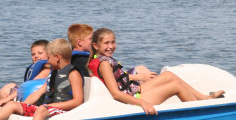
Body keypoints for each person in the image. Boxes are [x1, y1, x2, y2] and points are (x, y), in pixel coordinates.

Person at [88, 28, 224, 115]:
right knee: (175, 86)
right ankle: (201, 115)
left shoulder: (99, 59)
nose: (111, 46)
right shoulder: (104, 64)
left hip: (133, 91)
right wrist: (143, 103)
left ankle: (205, 98)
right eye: (106, 43)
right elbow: (115, 94)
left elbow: (120, 81)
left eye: (113, 42)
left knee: (169, 75)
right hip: (129, 101)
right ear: (96, 45)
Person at [0, 39, 51, 107]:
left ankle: (3, 111)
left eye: (40, 53)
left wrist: (7, 98)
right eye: (33, 54)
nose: (36, 56)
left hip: (36, 99)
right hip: (29, 94)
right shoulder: (39, 69)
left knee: (7, 91)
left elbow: (28, 88)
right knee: (10, 85)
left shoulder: (46, 71)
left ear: (48, 54)